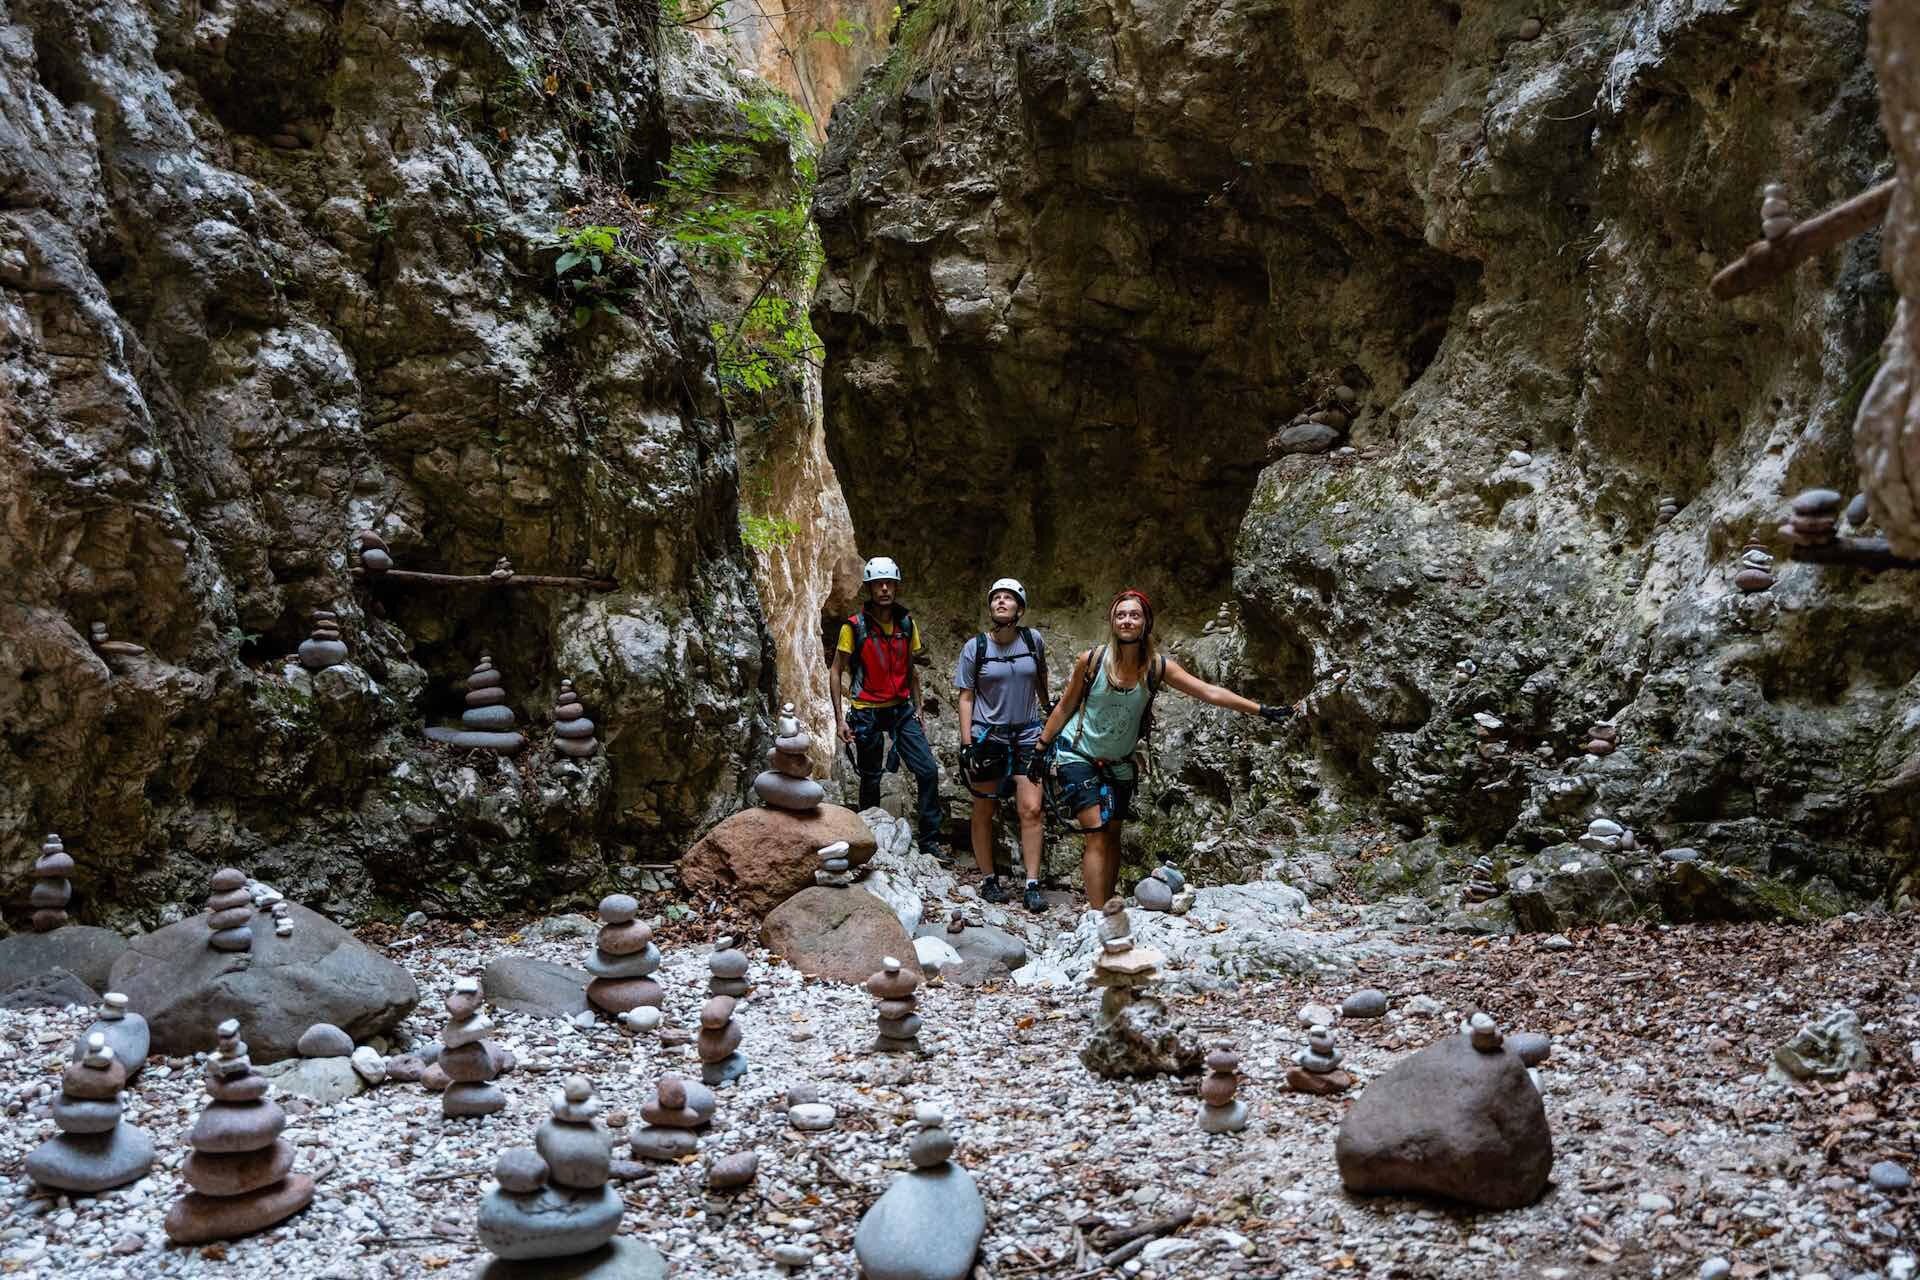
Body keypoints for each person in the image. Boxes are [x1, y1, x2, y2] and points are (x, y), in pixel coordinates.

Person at [1029, 588, 1295, 908]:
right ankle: (1099, 919)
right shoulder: (1092, 661)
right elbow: (1064, 707)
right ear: (1112, 622)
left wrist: (1262, 710)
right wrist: (1041, 747)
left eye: (1134, 615)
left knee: (1113, 834)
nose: (1127, 620)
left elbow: (1208, 692)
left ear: (1146, 623)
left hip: (1121, 762)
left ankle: (1108, 903)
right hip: (1078, 754)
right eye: (1121, 615)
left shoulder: (1157, 667)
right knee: (1097, 833)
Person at [831, 556, 944, 859]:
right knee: (870, 777)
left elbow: (911, 669)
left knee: (928, 771)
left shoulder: (907, 624)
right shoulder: (853, 627)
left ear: (895, 586)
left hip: (900, 709)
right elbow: (836, 670)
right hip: (866, 709)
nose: (884, 589)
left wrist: (918, 708)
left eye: (889, 583)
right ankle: (868, 839)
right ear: (869, 588)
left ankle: (930, 841)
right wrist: (840, 718)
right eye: (878, 584)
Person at [953, 578, 1051, 913]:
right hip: (987, 736)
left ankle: (1033, 884)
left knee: (1032, 809)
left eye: (1008, 598)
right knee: (983, 807)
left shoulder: (1032, 640)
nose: (1001, 602)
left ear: (1019, 609)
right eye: (996, 597)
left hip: (1027, 735)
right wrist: (967, 744)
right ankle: (988, 879)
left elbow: (1040, 679)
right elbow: (966, 697)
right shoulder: (976, 647)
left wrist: (1047, 712)